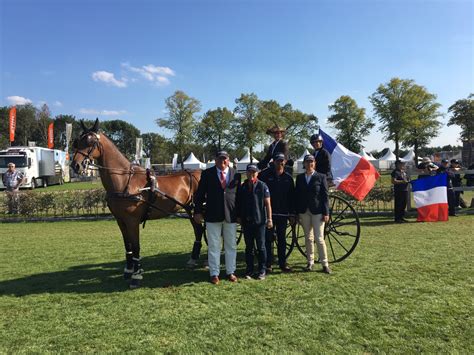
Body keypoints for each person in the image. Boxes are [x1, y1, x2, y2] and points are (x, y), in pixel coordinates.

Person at [194, 151, 241, 284]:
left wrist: (239, 215)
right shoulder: (207, 174)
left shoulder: (235, 174)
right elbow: (200, 195)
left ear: (228, 160)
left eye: (225, 159)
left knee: (231, 245)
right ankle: (214, 273)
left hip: (230, 215)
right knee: (214, 245)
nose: (222, 161)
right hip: (212, 214)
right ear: (215, 160)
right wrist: (197, 212)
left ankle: (230, 271)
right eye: (220, 159)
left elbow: (238, 197)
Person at [295, 154, 331, 274]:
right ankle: (310, 262)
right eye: (307, 162)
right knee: (308, 238)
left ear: (314, 163)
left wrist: (326, 212)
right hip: (304, 211)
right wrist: (297, 213)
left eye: (311, 162)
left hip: (317, 211)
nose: (309, 164)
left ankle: (325, 263)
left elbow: (325, 196)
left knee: (319, 238)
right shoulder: (300, 178)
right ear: (304, 164)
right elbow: (297, 196)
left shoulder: (321, 176)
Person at [259, 152, 295, 273]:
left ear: (284, 162)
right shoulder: (266, 176)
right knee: (268, 239)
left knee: (282, 239)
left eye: (281, 161)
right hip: (270, 214)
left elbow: (292, 198)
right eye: (277, 161)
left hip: (283, 214)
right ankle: (268, 263)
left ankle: (282, 263)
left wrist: (292, 213)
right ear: (273, 162)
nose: (279, 163)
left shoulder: (288, 178)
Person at [238, 163, 272, 280]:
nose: (251, 174)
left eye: (254, 172)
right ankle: (250, 270)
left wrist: (269, 219)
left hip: (260, 222)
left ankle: (262, 270)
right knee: (249, 247)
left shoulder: (263, 186)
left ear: (257, 173)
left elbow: (267, 204)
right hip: (247, 222)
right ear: (246, 173)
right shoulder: (243, 187)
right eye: (249, 172)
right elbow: (239, 203)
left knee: (261, 247)